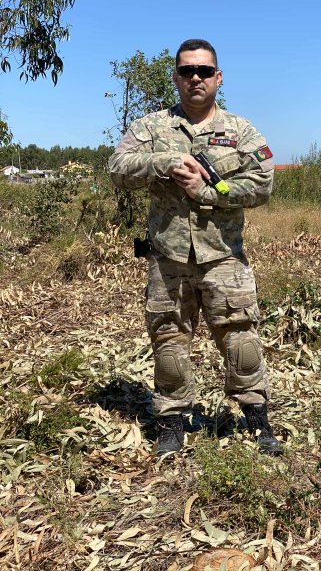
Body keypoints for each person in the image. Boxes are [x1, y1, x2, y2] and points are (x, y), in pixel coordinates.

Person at [109, 38, 282, 456]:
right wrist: (162, 162)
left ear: (218, 77)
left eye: (204, 71)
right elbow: (117, 168)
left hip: (223, 256)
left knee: (241, 339)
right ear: (176, 77)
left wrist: (209, 192)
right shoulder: (152, 128)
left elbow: (263, 183)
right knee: (169, 341)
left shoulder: (240, 131)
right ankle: (172, 423)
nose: (195, 78)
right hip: (168, 257)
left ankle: (257, 422)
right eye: (187, 71)